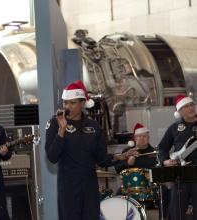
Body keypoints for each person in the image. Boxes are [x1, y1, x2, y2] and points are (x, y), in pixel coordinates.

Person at [45, 80, 137, 220]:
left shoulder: (93, 126)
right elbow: (52, 157)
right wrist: (61, 131)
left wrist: (122, 156)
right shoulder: (55, 123)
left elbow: (101, 158)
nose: (67, 107)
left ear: (82, 104)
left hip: (89, 185)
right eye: (65, 103)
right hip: (68, 186)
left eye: (72, 103)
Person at [158, 94, 197, 220]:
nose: (191, 108)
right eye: (186, 106)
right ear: (179, 111)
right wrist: (165, 161)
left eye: (192, 105)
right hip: (180, 176)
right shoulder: (174, 128)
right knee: (176, 213)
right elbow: (162, 148)